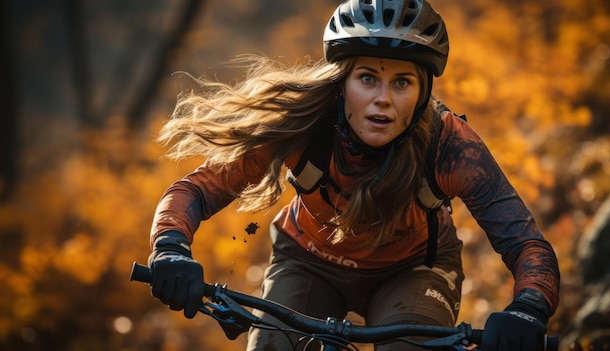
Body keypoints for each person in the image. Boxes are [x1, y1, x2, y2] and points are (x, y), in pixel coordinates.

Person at [146, 0, 560, 350]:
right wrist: (170, 248)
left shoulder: (450, 146)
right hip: (307, 260)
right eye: (367, 78)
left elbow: (525, 243)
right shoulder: (303, 123)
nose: (382, 99)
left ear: (422, 94)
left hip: (415, 269)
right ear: (342, 83)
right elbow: (197, 189)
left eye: (402, 82)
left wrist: (528, 308)